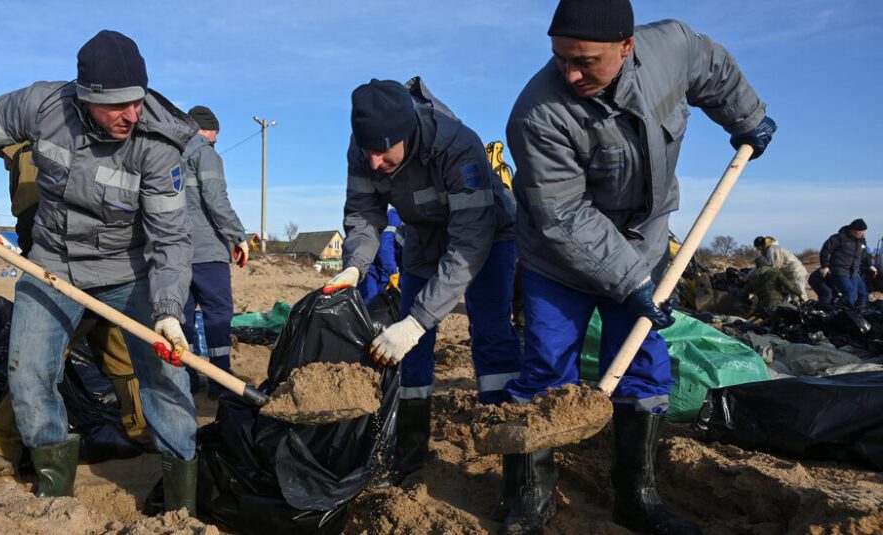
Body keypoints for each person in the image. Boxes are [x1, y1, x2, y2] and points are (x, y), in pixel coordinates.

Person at [505, 1, 776, 533]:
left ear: (627, 47)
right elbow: (563, 214)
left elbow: (712, 66)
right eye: (560, 59)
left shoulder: (671, 47)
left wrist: (746, 117)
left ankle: (637, 497)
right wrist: (630, 282)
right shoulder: (538, 114)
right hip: (558, 256)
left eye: (585, 61)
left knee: (643, 366)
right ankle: (529, 501)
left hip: (645, 242)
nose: (571, 73)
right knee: (545, 367)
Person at [0, 30, 198, 513]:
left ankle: (180, 500)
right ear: (84, 97)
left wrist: (167, 310)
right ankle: (54, 495)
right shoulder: (42, 106)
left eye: (137, 101)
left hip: (132, 273)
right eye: (117, 106)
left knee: (166, 377)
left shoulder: (158, 144)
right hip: (52, 265)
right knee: (29, 371)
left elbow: (170, 239)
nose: (131, 115)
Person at [326, 77, 521, 484]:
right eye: (368, 152)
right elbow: (363, 214)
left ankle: (510, 461)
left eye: (382, 152)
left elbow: (470, 241)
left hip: (486, 236)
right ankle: (410, 450)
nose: (374, 162)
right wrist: (354, 266)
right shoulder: (364, 150)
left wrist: (418, 321)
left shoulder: (458, 145)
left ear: (408, 133)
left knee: (490, 332)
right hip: (422, 239)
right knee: (410, 350)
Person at [0, 141, 151, 477]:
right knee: (119, 352)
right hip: (94, 264)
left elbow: (35, 220)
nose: (1, 165)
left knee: (38, 358)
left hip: (66, 272)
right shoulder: (43, 150)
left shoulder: (32, 155)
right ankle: (145, 431)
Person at [180, 105, 249, 400]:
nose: (217, 140)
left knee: (182, 316)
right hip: (207, 252)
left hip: (176, 252)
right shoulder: (205, 153)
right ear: (206, 129)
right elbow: (216, 200)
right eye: (216, 133)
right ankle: (220, 379)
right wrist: (238, 236)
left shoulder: (170, 155)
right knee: (218, 315)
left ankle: (185, 377)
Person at [819, 218, 877, 307]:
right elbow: (825, 251)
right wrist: (825, 266)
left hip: (854, 272)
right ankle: (840, 314)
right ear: (854, 230)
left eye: (864, 231)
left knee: (863, 293)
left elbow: (865, 254)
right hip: (840, 271)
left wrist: (870, 265)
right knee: (849, 293)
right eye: (861, 231)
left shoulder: (861, 240)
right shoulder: (838, 238)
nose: (863, 233)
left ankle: (858, 314)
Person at [356, 207, 402, 303]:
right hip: (371, 267)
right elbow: (384, 247)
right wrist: (392, 272)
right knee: (370, 299)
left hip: (383, 271)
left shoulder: (407, 221)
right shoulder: (394, 218)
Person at [753, 236, 808, 301]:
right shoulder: (766, 252)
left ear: (762, 245)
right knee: (788, 298)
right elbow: (761, 266)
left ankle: (807, 309)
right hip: (788, 275)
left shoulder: (773, 249)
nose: (758, 249)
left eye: (758, 247)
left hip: (796, 273)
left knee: (798, 297)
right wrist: (749, 274)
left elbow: (773, 267)